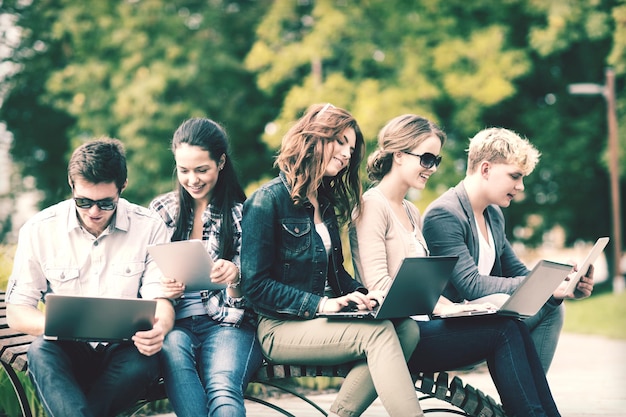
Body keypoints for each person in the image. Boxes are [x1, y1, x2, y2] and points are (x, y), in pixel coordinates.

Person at [350, 114, 562, 416]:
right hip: (398, 335)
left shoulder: (411, 210)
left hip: (423, 324)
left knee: (507, 323)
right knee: (504, 329)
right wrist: (442, 306)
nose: (432, 169)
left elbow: (423, 285)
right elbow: (379, 286)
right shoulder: (372, 205)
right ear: (398, 155)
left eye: (435, 160)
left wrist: (452, 306)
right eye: (426, 159)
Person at [241, 103, 423, 417]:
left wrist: (368, 296)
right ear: (312, 138)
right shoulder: (266, 201)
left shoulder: (323, 202)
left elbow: (335, 274)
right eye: (339, 142)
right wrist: (322, 305)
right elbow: (254, 286)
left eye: (351, 148)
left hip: (323, 319)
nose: (346, 153)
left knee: (407, 329)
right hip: (281, 326)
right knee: (377, 335)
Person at [5, 138, 175, 417]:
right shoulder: (38, 230)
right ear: (71, 185)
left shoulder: (149, 227)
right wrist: (60, 324)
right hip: (67, 349)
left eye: (106, 203)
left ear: (123, 187)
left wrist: (161, 328)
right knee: (40, 352)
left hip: (126, 349)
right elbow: (17, 311)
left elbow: (161, 300)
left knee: (145, 360)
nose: (94, 212)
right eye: (83, 202)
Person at [421, 127, 594, 372]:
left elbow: (517, 272)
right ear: (486, 169)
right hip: (447, 328)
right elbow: (471, 285)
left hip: (483, 318)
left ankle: (530, 402)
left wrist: (560, 284)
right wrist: (544, 285)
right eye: (515, 176)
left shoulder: (493, 214)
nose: (521, 186)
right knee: (506, 302)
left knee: (552, 308)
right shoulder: (444, 214)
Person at [149, 117, 264, 417]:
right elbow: (144, 274)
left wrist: (236, 277)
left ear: (221, 162)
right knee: (172, 347)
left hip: (229, 324)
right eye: (184, 170)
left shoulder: (244, 214)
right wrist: (162, 288)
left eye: (202, 170)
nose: (193, 180)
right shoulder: (161, 211)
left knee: (223, 387)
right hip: (175, 324)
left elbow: (259, 290)